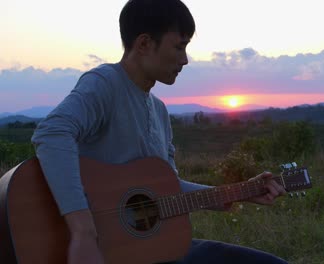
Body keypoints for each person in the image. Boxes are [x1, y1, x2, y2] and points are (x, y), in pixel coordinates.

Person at [31, 0, 287, 263]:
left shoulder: (160, 112)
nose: (185, 59)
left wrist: (238, 191)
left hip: (147, 249)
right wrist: (83, 232)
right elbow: (52, 133)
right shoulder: (105, 84)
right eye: (179, 46)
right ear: (144, 44)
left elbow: (167, 189)